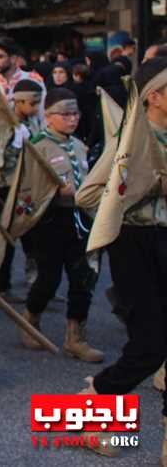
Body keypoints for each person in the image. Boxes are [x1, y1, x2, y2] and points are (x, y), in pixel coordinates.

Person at [76, 56, 167, 459]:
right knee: (149, 345)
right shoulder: (129, 140)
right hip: (135, 244)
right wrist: (146, 188)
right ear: (155, 97)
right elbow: (89, 195)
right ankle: (94, 399)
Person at [18, 88, 102, 362]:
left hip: (79, 219)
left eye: (75, 113)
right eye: (65, 114)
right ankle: (30, 318)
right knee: (49, 278)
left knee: (83, 278)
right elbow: (27, 191)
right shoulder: (37, 147)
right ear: (49, 117)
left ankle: (75, 337)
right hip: (50, 222)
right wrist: (54, 194)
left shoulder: (78, 146)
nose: (72, 119)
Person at [0, 79, 44, 300]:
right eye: (32, 103)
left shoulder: (33, 122)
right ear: (18, 101)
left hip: (29, 188)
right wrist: (14, 145)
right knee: (7, 238)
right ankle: (1, 285)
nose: (36, 108)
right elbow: (0, 160)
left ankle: (36, 281)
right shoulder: (5, 124)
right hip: (7, 189)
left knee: (33, 237)